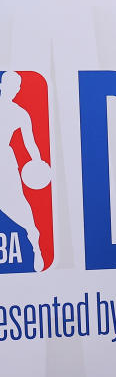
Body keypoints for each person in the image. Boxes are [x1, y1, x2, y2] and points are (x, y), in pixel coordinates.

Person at [0, 71, 47, 271]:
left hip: (5, 161)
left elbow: (30, 143)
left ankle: (35, 242)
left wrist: (37, 162)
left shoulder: (20, 113)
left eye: (16, 87)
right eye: (10, 85)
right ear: (2, 85)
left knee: (18, 203)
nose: (13, 90)